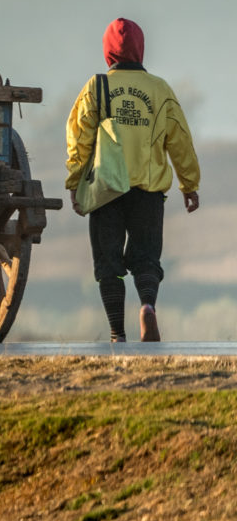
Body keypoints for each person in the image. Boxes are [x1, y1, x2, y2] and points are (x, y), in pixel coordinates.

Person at [65, 18, 201, 343]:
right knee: (146, 259)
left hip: (106, 189)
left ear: (108, 52)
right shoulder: (160, 89)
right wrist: (189, 183)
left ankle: (117, 333)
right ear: (140, 49)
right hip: (148, 191)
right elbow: (179, 140)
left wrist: (74, 182)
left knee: (108, 263)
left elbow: (79, 138)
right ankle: (148, 307)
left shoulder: (95, 88)